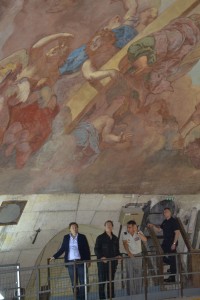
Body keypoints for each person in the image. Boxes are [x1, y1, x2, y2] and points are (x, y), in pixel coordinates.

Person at [50, 222, 91, 300]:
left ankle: (82, 298)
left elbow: (87, 249)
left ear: (77, 228)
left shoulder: (82, 237)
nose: (74, 229)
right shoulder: (66, 237)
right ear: (69, 229)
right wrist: (54, 256)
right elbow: (62, 249)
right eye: (73, 228)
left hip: (81, 262)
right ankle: (77, 297)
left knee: (83, 281)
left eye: (76, 227)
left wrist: (88, 260)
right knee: (74, 282)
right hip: (70, 263)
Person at [148, 207, 180, 282]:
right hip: (166, 242)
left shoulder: (173, 221)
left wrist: (174, 243)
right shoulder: (165, 221)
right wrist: (152, 225)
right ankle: (173, 265)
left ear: (170, 213)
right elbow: (159, 230)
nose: (165, 213)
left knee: (172, 258)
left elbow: (177, 232)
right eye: (164, 212)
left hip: (172, 243)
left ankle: (172, 278)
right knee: (160, 256)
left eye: (166, 212)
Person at [94, 220, 121, 299]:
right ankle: (102, 298)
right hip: (102, 264)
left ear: (112, 227)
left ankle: (111, 297)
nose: (109, 226)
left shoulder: (115, 238)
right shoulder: (100, 237)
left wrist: (119, 255)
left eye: (110, 225)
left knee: (111, 282)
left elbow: (117, 250)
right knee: (102, 282)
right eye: (107, 225)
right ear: (105, 227)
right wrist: (102, 257)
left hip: (112, 264)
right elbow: (96, 249)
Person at [122, 220, 147, 295]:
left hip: (138, 255)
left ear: (134, 227)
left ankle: (138, 293)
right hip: (129, 256)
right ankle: (130, 294)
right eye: (127, 227)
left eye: (130, 227)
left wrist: (137, 232)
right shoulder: (125, 234)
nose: (128, 229)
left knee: (138, 274)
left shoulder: (139, 233)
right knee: (130, 275)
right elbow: (125, 244)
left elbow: (145, 239)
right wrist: (129, 253)